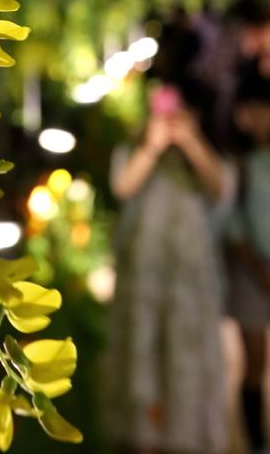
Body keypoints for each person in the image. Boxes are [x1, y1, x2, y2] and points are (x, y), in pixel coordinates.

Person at [106, 79, 234, 454]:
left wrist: (191, 141)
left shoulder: (208, 153)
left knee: (187, 376)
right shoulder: (135, 149)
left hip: (191, 287)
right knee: (142, 364)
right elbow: (123, 186)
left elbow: (222, 187)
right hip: (143, 282)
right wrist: (152, 146)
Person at [227, 72, 270, 454]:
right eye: (248, 109)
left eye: (261, 108)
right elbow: (232, 220)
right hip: (250, 270)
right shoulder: (237, 161)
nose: (254, 117)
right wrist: (260, 268)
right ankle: (257, 442)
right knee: (256, 361)